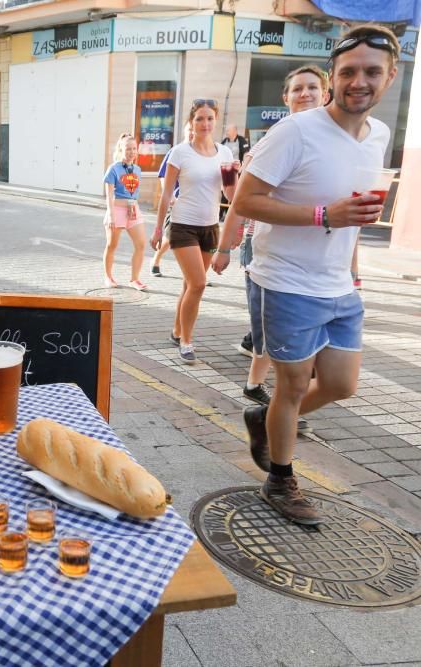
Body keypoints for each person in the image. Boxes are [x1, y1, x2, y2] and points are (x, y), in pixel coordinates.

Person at [231, 25, 397, 525]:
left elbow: (355, 209)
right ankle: (280, 480)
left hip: (338, 284)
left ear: (390, 76)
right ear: (332, 78)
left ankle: (266, 418)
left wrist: (354, 267)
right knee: (295, 385)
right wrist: (325, 215)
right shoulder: (295, 131)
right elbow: (244, 202)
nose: (359, 82)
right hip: (285, 279)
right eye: (348, 72)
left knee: (343, 384)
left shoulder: (379, 136)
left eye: (372, 72)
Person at [214, 64, 329, 436]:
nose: (306, 94)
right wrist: (224, 246)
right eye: (298, 88)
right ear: (286, 97)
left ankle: (267, 400)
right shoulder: (273, 140)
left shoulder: (338, 142)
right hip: (268, 254)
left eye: (313, 87)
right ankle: (276, 413)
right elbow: (239, 202)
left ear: (325, 93)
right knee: (277, 343)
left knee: (289, 348)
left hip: (318, 264)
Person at [151, 99, 238, 364]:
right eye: (199, 118)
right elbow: (166, 193)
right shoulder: (180, 152)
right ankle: (187, 342)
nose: (205, 123)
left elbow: (230, 193)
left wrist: (237, 175)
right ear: (192, 121)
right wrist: (157, 228)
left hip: (210, 227)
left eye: (209, 118)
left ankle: (177, 331)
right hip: (183, 225)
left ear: (215, 120)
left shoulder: (225, 154)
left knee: (190, 284)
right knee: (199, 284)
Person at [101, 134, 147, 290]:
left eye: (134, 148)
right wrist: (110, 214)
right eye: (128, 149)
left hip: (134, 210)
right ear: (121, 149)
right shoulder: (114, 168)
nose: (132, 152)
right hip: (117, 210)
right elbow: (108, 193)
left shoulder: (138, 169)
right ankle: (108, 277)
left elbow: (133, 192)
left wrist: (134, 207)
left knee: (141, 244)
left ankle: (134, 279)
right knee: (112, 245)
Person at [151, 122, 194, 278]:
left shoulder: (200, 153)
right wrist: (171, 196)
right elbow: (163, 176)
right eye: (190, 130)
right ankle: (155, 260)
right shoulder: (176, 151)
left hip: (194, 205)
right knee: (169, 238)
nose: (192, 133)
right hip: (177, 202)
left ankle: (199, 273)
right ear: (184, 131)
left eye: (193, 131)